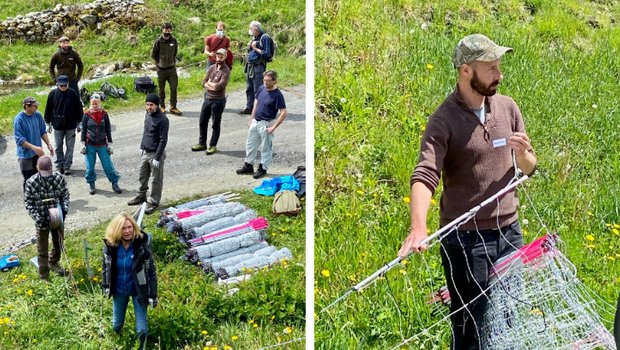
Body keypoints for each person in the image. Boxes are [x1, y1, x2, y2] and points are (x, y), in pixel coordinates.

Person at [397, 34, 537, 350]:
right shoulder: (443, 120)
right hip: (467, 242)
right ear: (465, 70)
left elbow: (528, 168)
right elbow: (424, 175)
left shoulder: (508, 108)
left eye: (499, 66)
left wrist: (526, 156)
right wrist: (419, 227)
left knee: (508, 318)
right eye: (490, 68)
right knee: (471, 329)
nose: (499, 75)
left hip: (510, 234)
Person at [102, 213, 157, 350]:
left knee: (141, 329)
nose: (127, 231)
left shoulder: (142, 245)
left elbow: (151, 271)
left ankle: (141, 347)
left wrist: (153, 295)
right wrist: (105, 285)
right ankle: (119, 342)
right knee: (116, 325)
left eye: (129, 227)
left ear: (134, 227)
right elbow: (105, 267)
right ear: (116, 230)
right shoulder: (111, 246)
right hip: (119, 291)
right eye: (123, 228)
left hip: (139, 290)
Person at [24, 156, 70, 280]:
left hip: (57, 218)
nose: (46, 176)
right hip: (41, 219)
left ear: (51, 168)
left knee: (58, 243)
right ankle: (44, 275)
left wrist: (64, 210)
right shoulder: (31, 182)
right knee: (42, 248)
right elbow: (28, 203)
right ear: (37, 168)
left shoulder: (59, 178)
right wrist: (37, 217)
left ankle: (53, 262)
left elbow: (65, 195)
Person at [236, 70, 287, 179]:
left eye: (268, 81)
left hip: (267, 123)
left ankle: (263, 168)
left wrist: (273, 127)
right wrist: (252, 119)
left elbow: (283, 112)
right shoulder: (261, 89)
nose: (266, 83)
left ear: (274, 81)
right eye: (264, 80)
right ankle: (248, 166)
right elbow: (256, 103)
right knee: (250, 145)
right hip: (256, 121)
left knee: (266, 147)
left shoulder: (278, 95)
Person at [127, 94, 169, 215]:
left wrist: (157, 157)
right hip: (146, 151)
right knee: (142, 176)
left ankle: (154, 201)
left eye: (151, 105)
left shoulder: (163, 120)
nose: (149, 107)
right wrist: (141, 146)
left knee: (156, 179)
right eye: (147, 104)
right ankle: (141, 196)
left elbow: (163, 140)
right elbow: (145, 131)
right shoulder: (147, 114)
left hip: (156, 154)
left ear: (157, 105)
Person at [191, 48, 231, 155]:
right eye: (218, 55)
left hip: (218, 101)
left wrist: (209, 84)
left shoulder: (226, 70)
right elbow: (203, 82)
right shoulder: (211, 68)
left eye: (221, 56)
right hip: (208, 98)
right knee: (202, 121)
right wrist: (209, 85)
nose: (219, 57)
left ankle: (213, 145)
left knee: (215, 124)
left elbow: (219, 87)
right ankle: (202, 143)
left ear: (225, 56)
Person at [80, 94, 122, 195]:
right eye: (93, 103)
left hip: (103, 144)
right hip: (90, 145)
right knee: (90, 167)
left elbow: (108, 129)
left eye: (96, 103)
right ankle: (91, 183)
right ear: (90, 103)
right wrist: (82, 144)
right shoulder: (86, 115)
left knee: (108, 166)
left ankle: (114, 183)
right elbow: (83, 130)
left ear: (100, 103)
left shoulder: (104, 114)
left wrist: (110, 144)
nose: (94, 105)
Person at [44, 74, 83, 175]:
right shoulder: (52, 94)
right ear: (57, 84)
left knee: (70, 146)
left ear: (68, 84)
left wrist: (80, 122)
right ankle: (58, 166)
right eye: (61, 86)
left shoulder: (73, 93)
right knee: (58, 146)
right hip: (58, 125)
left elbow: (79, 108)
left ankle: (67, 166)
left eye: (65, 85)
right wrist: (47, 123)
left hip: (71, 125)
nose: (63, 87)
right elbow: (48, 108)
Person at [14, 96, 55, 189]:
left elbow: (42, 131)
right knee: (28, 180)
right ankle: (28, 201)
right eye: (34, 106)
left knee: (40, 177)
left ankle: (39, 200)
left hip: (37, 154)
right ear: (27, 106)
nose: (36, 108)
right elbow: (19, 140)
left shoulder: (38, 115)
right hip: (25, 156)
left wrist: (48, 144)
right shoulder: (19, 119)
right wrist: (34, 148)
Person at [240, 20, 274, 115]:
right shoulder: (254, 38)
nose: (251, 31)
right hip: (250, 67)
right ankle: (249, 107)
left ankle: (260, 109)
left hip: (258, 67)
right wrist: (250, 47)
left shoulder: (265, 38)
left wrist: (255, 48)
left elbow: (266, 54)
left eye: (251, 29)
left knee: (258, 90)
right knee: (249, 88)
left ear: (255, 28)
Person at [151, 22, 182, 115]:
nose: (167, 31)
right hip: (161, 69)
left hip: (172, 69)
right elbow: (154, 55)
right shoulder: (158, 41)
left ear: (171, 30)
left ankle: (173, 107)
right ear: (162, 30)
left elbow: (175, 52)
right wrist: (158, 65)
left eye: (168, 30)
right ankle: (162, 106)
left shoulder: (174, 41)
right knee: (161, 89)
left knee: (174, 88)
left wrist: (173, 61)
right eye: (165, 29)